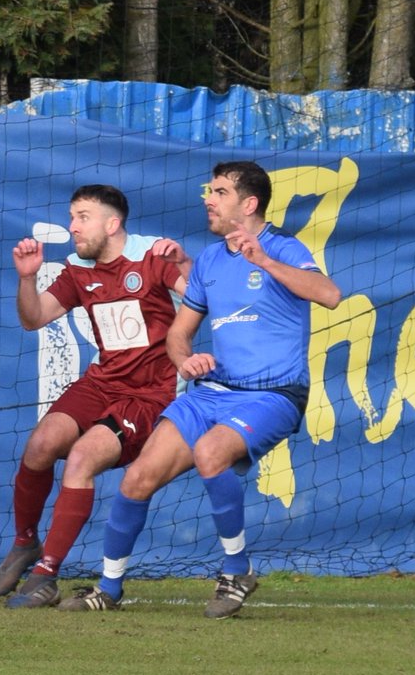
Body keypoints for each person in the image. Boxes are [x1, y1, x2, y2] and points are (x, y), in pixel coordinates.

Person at [60, 161, 342, 618]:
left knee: (211, 453)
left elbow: (330, 295)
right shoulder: (209, 259)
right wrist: (184, 360)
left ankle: (237, 570)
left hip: (273, 393)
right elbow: (178, 334)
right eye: (209, 191)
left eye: (220, 192)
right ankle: (108, 588)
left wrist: (265, 262)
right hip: (212, 392)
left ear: (249, 204)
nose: (209, 200)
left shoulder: (283, 247)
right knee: (136, 478)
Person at [0, 185, 190, 608]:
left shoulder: (152, 255)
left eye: (82, 217)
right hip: (101, 382)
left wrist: (183, 263)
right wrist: (27, 278)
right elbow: (33, 318)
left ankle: (46, 575)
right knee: (41, 444)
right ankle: (25, 541)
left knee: (82, 458)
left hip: (150, 395)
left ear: (112, 224)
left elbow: (198, 295)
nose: (72, 227)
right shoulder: (78, 268)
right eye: (71, 217)